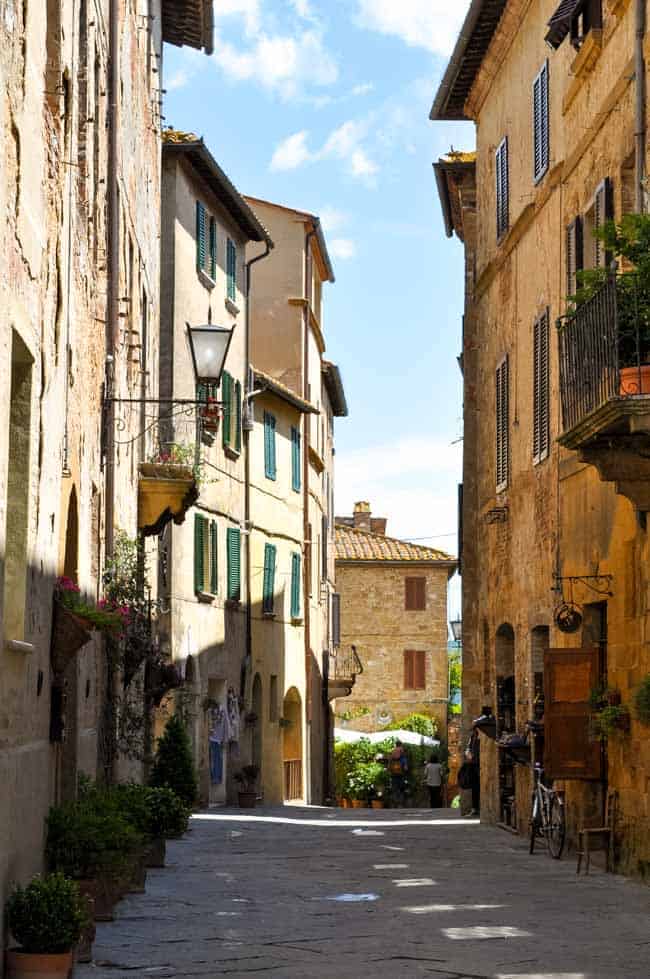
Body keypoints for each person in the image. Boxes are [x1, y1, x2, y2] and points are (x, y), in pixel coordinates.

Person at [389, 740, 408, 807]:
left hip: (393, 774)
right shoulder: (402, 751)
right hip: (401, 774)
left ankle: (394, 803)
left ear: (396, 744)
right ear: (401, 744)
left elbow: (389, 765)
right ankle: (401, 804)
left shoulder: (392, 751)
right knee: (401, 789)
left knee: (395, 789)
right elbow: (406, 768)